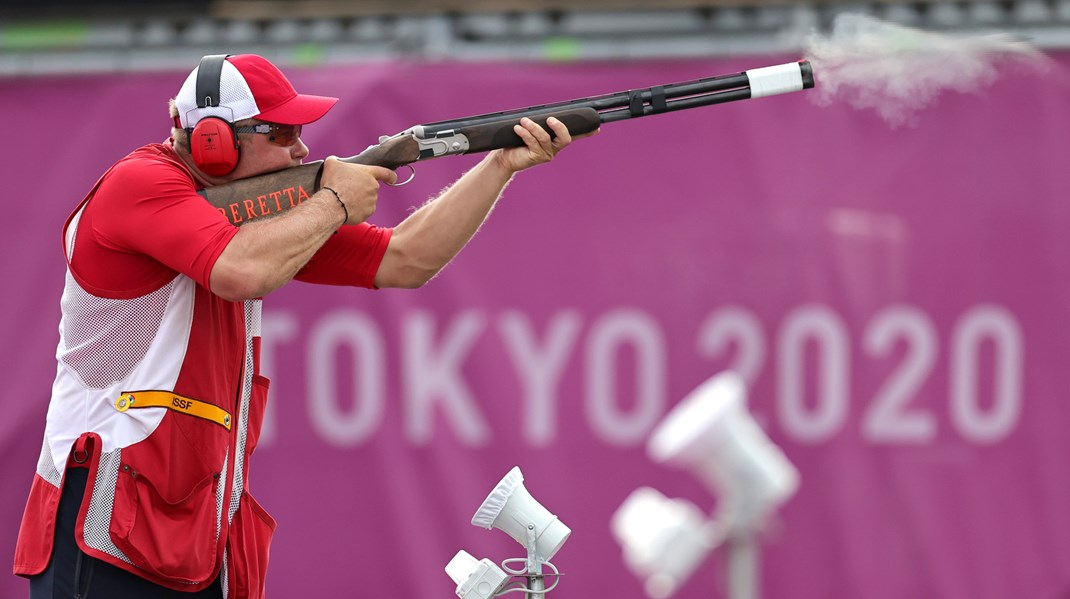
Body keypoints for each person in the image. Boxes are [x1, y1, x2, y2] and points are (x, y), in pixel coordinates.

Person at [13, 53, 592, 599]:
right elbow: (241, 271)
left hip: (189, 529)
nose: (302, 149)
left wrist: (499, 165)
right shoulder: (138, 183)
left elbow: (406, 260)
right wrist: (333, 203)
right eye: (283, 134)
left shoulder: (247, 213)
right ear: (214, 142)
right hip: (106, 520)